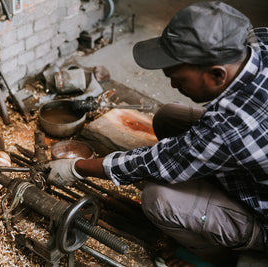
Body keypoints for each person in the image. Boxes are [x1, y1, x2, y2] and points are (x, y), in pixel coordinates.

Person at [46, 1, 268, 266]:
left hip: (261, 213)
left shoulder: (232, 125)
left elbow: (157, 161)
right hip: (251, 169)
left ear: (217, 74)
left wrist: (77, 168)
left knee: (158, 198)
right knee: (168, 116)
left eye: (179, 79)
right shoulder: (256, 44)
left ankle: (223, 259)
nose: (173, 84)